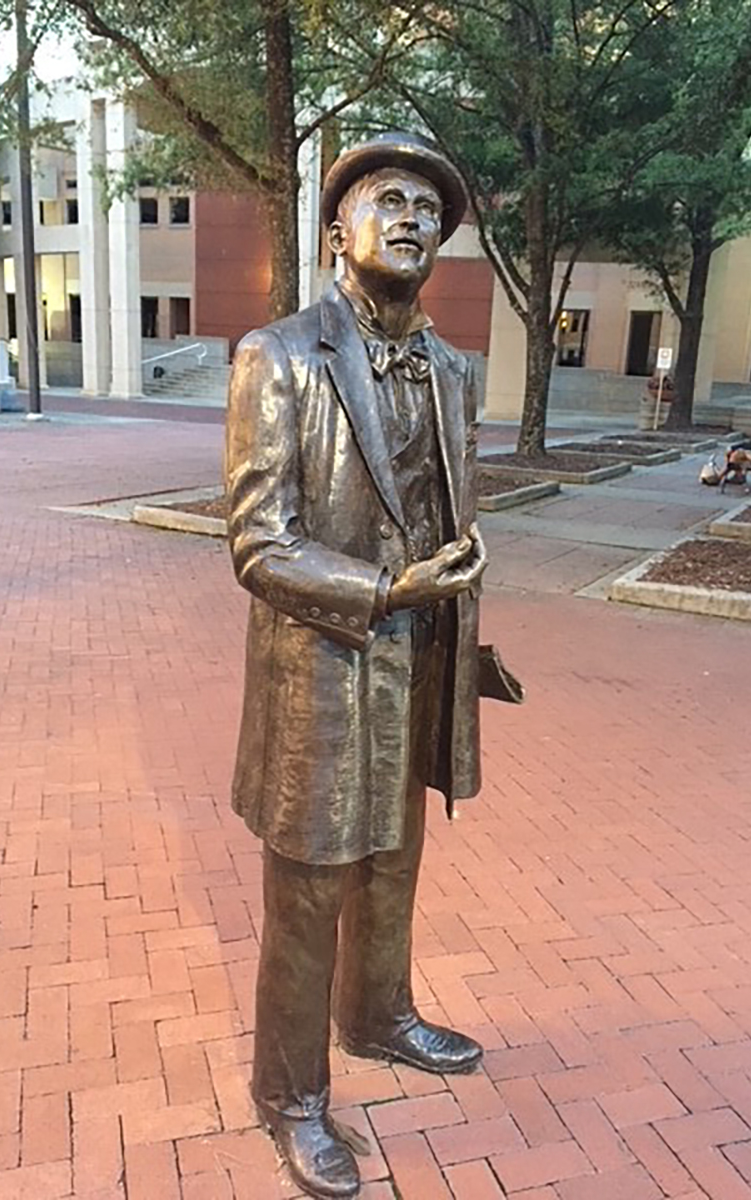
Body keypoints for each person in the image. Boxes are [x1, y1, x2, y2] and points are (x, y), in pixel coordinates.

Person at [226, 132, 519, 1199]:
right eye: (387, 199)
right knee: (311, 891)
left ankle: (379, 1016)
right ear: (336, 232)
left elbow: (447, 519)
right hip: (323, 671)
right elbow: (259, 543)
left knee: (395, 859)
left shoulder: (452, 368)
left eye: (429, 209)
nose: (411, 218)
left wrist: (463, 637)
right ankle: (289, 1095)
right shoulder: (279, 354)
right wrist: (385, 592)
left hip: (419, 668)